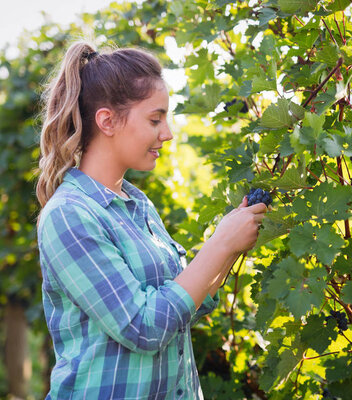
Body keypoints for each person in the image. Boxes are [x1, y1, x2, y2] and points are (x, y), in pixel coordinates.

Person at [35, 41, 267, 399]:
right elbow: (142, 327)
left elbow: (190, 302)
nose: (168, 133)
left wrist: (231, 243)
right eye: (155, 119)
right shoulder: (69, 215)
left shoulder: (137, 204)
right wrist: (221, 242)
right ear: (107, 121)